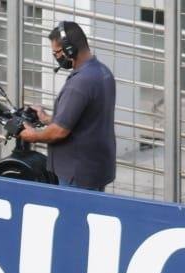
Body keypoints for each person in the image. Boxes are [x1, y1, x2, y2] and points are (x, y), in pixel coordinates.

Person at [12, 21, 116, 191]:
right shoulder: (103, 72)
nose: (56, 57)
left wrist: (33, 135)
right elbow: (87, 120)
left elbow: (59, 131)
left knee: (73, 216)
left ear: (70, 49)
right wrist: (47, 119)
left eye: (57, 52)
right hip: (95, 169)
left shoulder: (80, 83)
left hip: (77, 174)